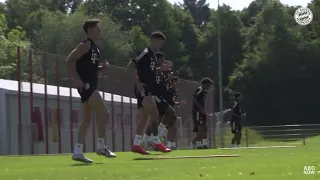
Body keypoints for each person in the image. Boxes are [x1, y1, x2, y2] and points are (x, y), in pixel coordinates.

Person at [66, 19, 116, 163]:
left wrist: (102, 68)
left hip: (90, 84)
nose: (100, 31)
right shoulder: (85, 45)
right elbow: (69, 60)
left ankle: (77, 151)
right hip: (87, 86)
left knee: (87, 120)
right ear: (89, 30)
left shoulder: (95, 47)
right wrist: (73, 79)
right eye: (97, 28)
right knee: (104, 112)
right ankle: (101, 146)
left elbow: (90, 67)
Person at [126, 32, 172, 155]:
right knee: (155, 113)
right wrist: (138, 83)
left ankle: (136, 144)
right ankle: (156, 141)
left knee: (144, 118)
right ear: (153, 40)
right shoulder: (145, 53)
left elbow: (147, 71)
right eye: (160, 42)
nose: (161, 45)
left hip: (147, 88)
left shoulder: (152, 56)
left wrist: (160, 69)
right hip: (143, 88)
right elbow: (131, 66)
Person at [188, 77, 213, 149]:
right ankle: (192, 144)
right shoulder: (200, 89)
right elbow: (195, 99)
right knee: (201, 129)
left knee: (205, 128)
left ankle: (204, 144)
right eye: (208, 85)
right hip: (198, 112)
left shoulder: (205, 91)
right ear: (205, 84)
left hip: (201, 112)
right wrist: (200, 109)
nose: (209, 87)